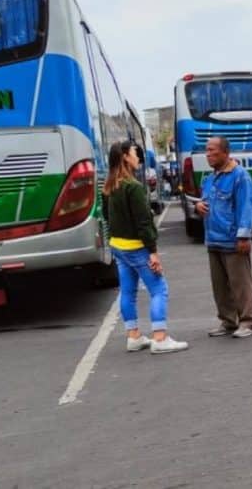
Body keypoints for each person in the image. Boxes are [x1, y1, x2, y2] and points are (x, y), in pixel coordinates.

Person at [102, 140, 188, 354]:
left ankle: (134, 336)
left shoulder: (109, 186)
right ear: (124, 157)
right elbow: (144, 223)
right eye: (135, 153)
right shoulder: (133, 187)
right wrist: (153, 253)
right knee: (159, 289)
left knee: (128, 292)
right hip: (137, 247)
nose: (138, 157)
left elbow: (106, 217)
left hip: (118, 247)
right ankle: (160, 337)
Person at [196, 137, 252, 339]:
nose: (207, 154)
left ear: (225, 153)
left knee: (240, 284)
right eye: (206, 150)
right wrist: (198, 206)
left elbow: (247, 208)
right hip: (213, 239)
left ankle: (248, 322)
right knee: (220, 286)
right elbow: (205, 202)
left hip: (232, 240)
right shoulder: (210, 178)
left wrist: (243, 237)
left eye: (212, 150)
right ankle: (228, 321)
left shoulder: (241, 177)